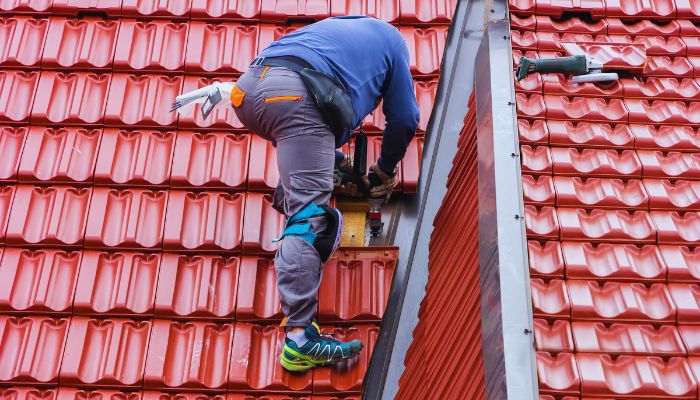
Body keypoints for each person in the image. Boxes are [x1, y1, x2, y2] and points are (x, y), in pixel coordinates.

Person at [231, 16, 419, 371]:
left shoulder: (341, 32)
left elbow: (306, 119)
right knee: (308, 218)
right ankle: (299, 340)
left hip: (250, 88)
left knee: (302, 143)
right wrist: (384, 170)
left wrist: (335, 163)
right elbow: (406, 119)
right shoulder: (393, 43)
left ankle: (300, 187)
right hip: (295, 96)